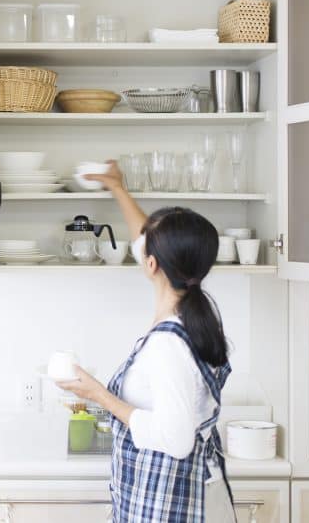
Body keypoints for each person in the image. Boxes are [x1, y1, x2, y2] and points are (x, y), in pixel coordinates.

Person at [58, 160, 236, 523]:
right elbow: (146, 242)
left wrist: (99, 396)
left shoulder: (167, 344)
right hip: (197, 496)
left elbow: (176, 439)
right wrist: (117, 188)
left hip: (174, 507)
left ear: (153, 264)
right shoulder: (199, 316)